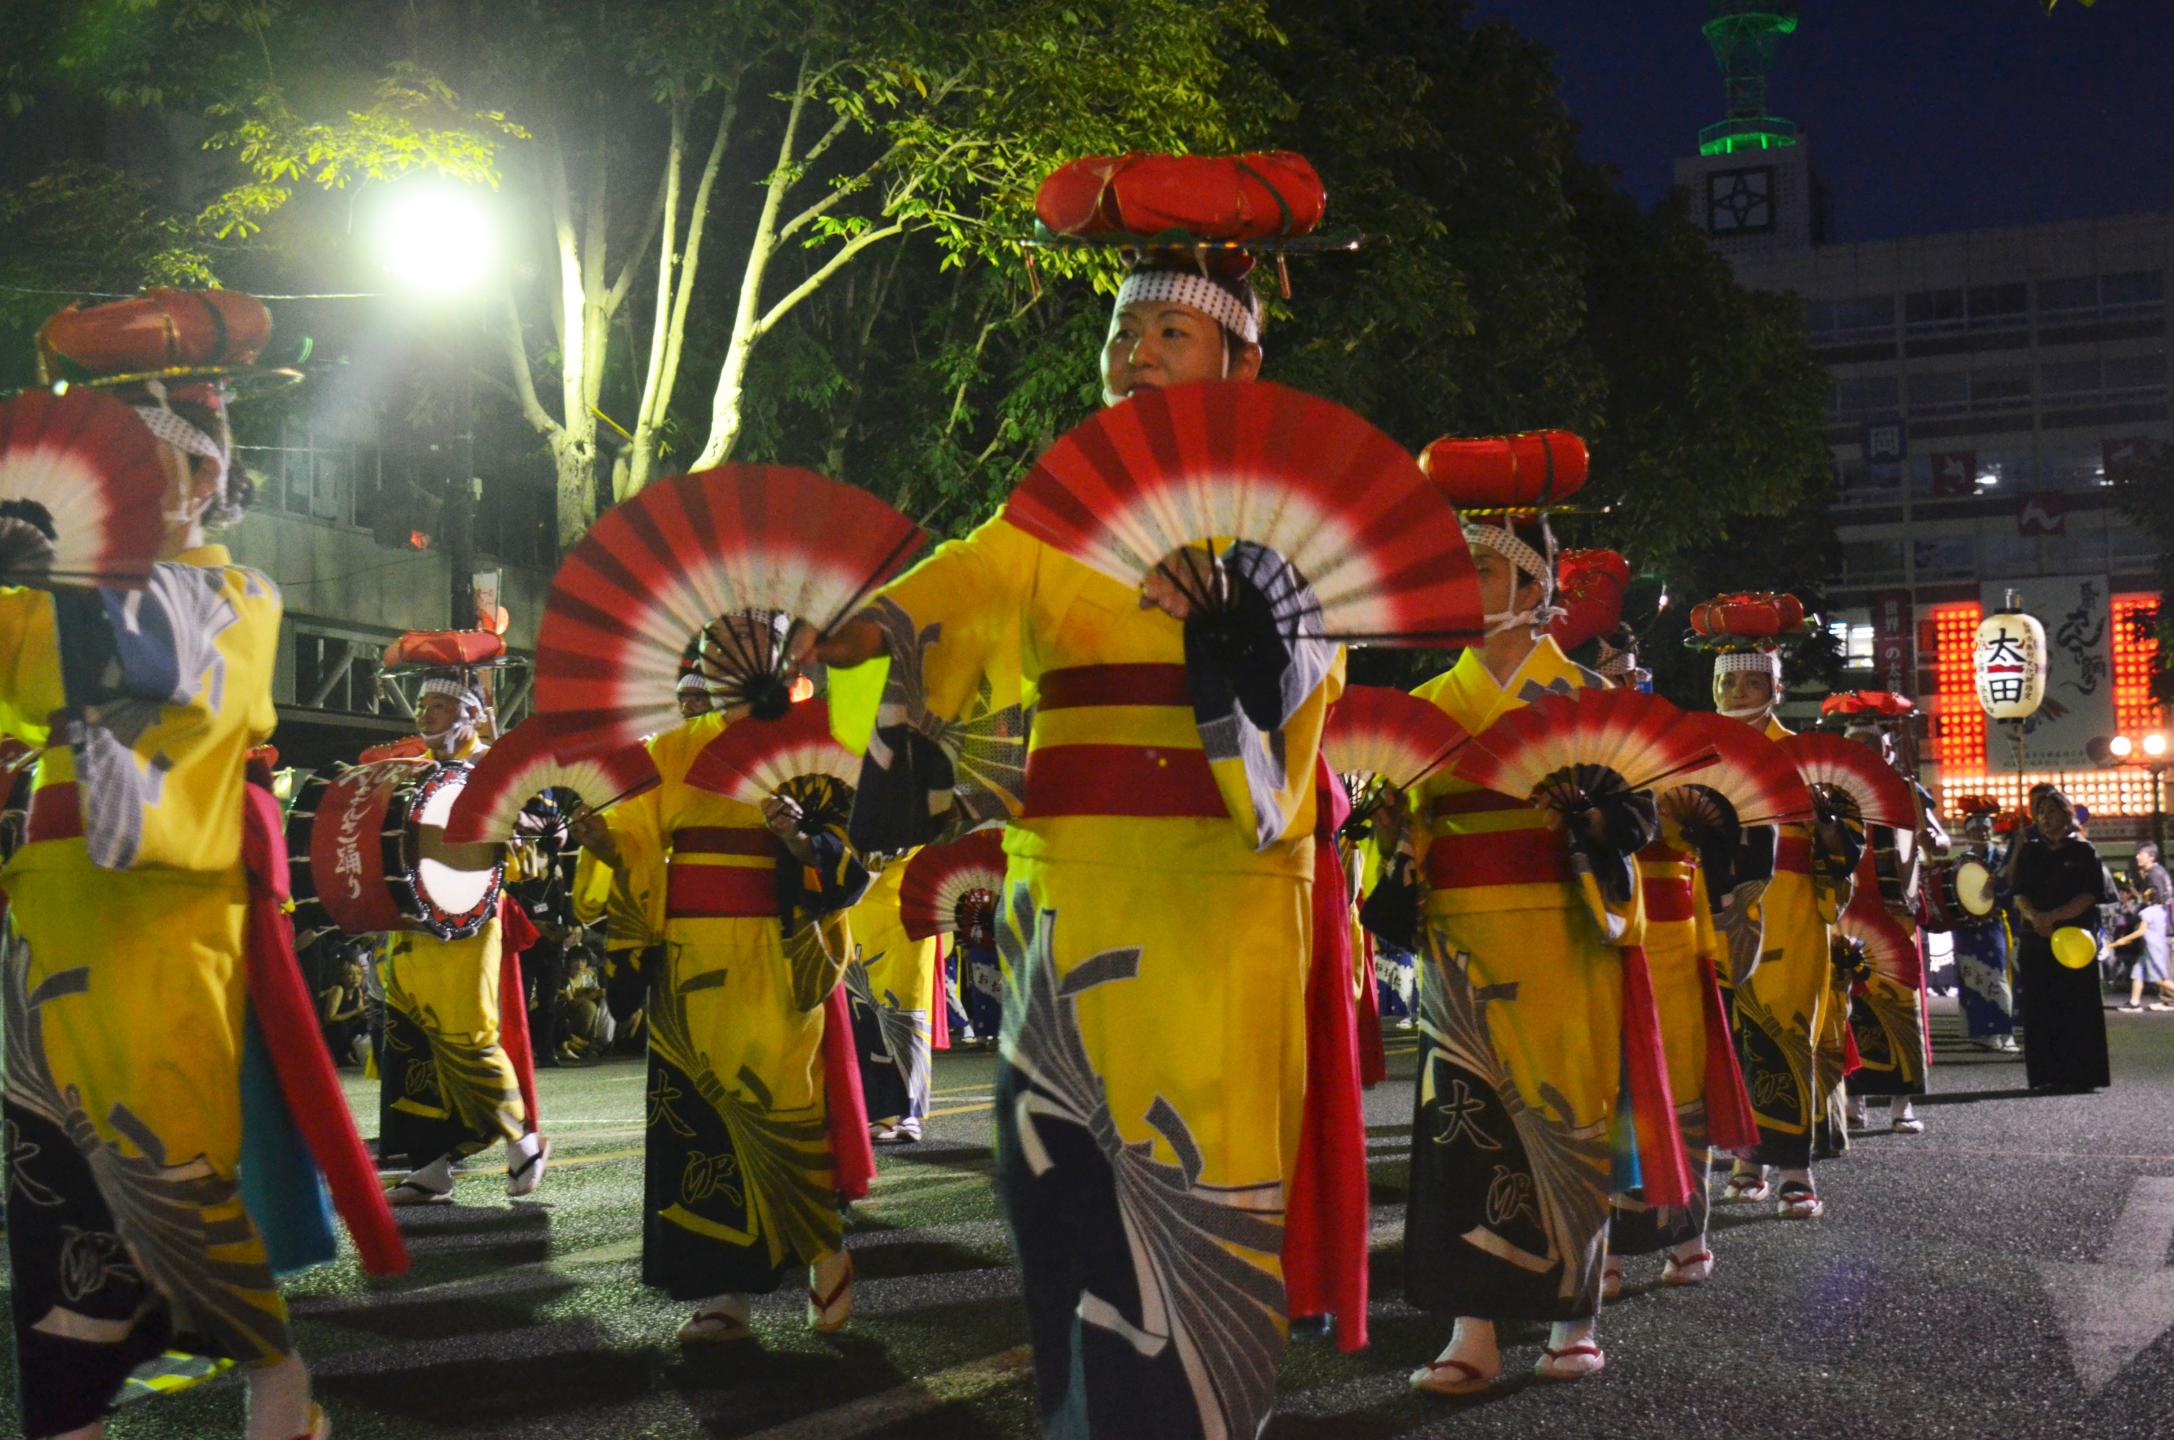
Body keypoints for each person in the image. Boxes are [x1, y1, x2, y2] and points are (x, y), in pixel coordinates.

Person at [814, 242, 1351, 1437]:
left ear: (1240, 362)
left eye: (1171, 332)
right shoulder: (1056, 505)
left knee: (1193, 1170)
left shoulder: (1284, 512)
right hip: (1060, 899)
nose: (1136, 352)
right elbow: (969, 582)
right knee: (1054, 1179)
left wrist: (1228, 617)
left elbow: (1294, 699)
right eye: (1122, 331)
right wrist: (877, 627)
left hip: (1209, 901)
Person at [1, 288, 389, 1440]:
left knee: (163, 1166)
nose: (124, 484)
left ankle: (280, 1379)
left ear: (205, 471)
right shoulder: (54, 596)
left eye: (146, 458)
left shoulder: (232, 596)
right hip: (49, 913)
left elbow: (115, 664)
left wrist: (43, 571)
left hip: (164, 919)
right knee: (51, 1180)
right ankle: (69, 1413)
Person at [1365, 508, 1663, 1392]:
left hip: (1563, 933)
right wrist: (1391, 837)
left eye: (1485, 569)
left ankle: (1573, 1317)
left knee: (1567, 1119)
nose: (1463, 584)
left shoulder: (1587, 697)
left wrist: (1593, 819)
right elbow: (1398, 846)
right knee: (1461, 1124)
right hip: (1461, 942)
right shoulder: (1426, 705)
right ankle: (1472, 1328)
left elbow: (1639, 819)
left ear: (1536, 588)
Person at [573, 617, 867, 1346]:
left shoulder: (817, 746)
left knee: (778, 1103)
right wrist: (607, 843)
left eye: (743, 653)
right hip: (685, 956)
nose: (727, 667)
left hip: (772, 952)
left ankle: (824, 1247)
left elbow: (850, 854)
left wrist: (801, 839)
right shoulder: (671, 749)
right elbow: (639, 841)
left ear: (775, 662)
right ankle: (725, 1292)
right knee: (697, 1120)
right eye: (715, 655)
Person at [1705, 612, 1860, 1220]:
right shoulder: (1694, 752)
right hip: (1714, 909)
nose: (1737, 693)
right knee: (1726, 1038)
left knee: (1787, 1031)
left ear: (1775, 687)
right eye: (1726, 682)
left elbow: (1847, 847)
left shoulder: (1807, 756)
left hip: (1790, 908)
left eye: (1751, 682)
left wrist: (1827, 823)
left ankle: (1796, 1168)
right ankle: (1745, 1160)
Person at [376, 672, 551, 1205]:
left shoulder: (498, 767)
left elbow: (550, 834)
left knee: (467, 1035)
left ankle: (522, 1141)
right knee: (413, 1042)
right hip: (411, 923)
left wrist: (514, 819)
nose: (424, 715)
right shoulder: (417, 770)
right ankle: (430, 1166)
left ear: (470, 715)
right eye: (422, 705)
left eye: (438, 705)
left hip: (468, 918)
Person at [1839, 717, 1931, 1137]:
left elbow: (1938, 840)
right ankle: (1853, 1102)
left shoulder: (1906, 792)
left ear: (1887, 752)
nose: (1862, 754)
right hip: (1847, 912)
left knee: (1899, 1010)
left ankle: (1902, 1104)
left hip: (1893, 914)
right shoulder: (1832, 795)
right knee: (1849, 1008)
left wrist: (1928, 840)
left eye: (1871, 746)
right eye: (1854, 746)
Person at [2011, 787, 2115, 1092]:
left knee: (2077, 1006)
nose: (2045, 818)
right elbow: (2019, 893)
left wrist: (2054, 916)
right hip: (2037, 938)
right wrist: (2035, 917)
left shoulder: (2083, 851)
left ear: (2066, 815)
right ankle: (2045, 1074)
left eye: (2052, 812)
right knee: (2040, 1007)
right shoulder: (2030, 851)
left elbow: (2090, 895)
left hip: (2074, 939)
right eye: (2040, 813)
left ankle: (2081, 1074)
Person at [842, 858, 939, 1143]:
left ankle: (909, 1111)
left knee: (907, 1008)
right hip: (861, 903)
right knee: (864, 1010)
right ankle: (880, 1111)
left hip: (912, 903)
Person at [1950, 797, 2018, 1049]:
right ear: (1968, 833)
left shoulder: (2001, 857)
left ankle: (2004, 1033)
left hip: (1992, 923)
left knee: (1996, 976)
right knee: (1971, 977)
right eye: (1977, 829)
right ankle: (1979, 1032)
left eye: (1985, 829)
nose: (1982, 833)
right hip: (1966, 926)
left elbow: (2008, 887)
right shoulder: (1962, 860)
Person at [318, 954, 371, 1068]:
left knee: (368, 1024)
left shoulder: (357, 991)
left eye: (358, 974)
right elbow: (329, 1018)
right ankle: (343, 1055)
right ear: (342, 976)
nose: (355, 977)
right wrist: (356, 1011)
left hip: (347, 1025)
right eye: (350, 974)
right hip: (329, 1030)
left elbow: (360, 1013)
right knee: (341, 1025)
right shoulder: (338, 990)